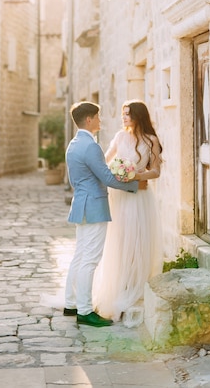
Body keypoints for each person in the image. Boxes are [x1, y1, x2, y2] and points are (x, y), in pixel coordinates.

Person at [64, 101, 147, 328]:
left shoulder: (73, 144)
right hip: (94, 207)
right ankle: (84, 310)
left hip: (81, 203)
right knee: (90, 260)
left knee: (80, 256)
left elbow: (76, 179)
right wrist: (135, 186)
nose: (101, 120)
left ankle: (70, 303)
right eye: (98, 117)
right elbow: (107, 178)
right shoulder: (91, 146)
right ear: (89, 120)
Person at [93, 99, 163, 322]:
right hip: (119, 197)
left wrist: (136, 175)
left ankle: (135, 283)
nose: (123, 118)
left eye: (128, 114)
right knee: (120, 239)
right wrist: (115, 173)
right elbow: (105, 160)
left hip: (139, 197)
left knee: (137, 240)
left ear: (138, 116)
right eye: (123, 114)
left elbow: (156, 172)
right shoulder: (120, 137)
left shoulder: (151, 140)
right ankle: (120, 283)